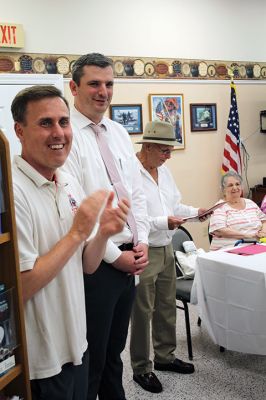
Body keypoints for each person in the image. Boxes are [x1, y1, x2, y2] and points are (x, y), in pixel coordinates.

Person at [11, 85, 129, 400]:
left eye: (64, 121)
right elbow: (21, 286)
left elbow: (87, 265)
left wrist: (103, 232)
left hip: (77, 343)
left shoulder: (67, 179)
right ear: (19, 131)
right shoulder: (12, 190)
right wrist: (77, 232)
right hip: (43, 358)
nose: (59, 132)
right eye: (46, 123)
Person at [64, 53, 149, 400]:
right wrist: (117, 257)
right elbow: (76, 208)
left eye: (109, 84)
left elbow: (136, 191)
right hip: (97, 263)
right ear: (74, 87)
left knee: (116, 352)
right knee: (93, 357)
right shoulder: (66, 136)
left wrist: (141, 239)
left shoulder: (118, 132)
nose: (103, 91)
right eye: (94, 84)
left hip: (132, 257)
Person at [130, 120, 211, 393]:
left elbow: (175, 205)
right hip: (143, 249)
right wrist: (165, 221)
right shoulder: (130, 172)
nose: (168, 156)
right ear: (149, 147)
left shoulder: (164, 172)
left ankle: (164, 357)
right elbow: (134, 217)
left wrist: (197, 210)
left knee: (166, 307)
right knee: (142, 312)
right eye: (165, 151)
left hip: (166, 249)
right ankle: (141, 368)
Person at [209, 171, 266, 250]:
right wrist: (248, 236)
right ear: (223, 189)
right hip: (229, 249)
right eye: (230, 185)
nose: (235, 188)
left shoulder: (250, 203)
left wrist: (263, 232)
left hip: (256, 245)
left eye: (237, 184)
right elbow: (219, 230)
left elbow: (264, 221)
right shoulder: (220, 207)